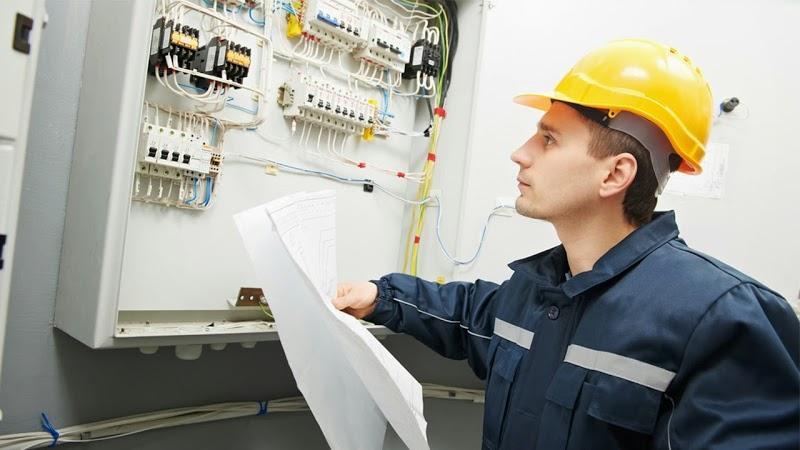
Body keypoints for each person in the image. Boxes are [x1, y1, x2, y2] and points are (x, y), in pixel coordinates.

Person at [332, 39, 800, 449]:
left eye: (549, 139)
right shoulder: (540, 289)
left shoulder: (723, 320)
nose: (520, 153)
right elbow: (473, 314)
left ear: (615, 174)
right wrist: (382, 297)